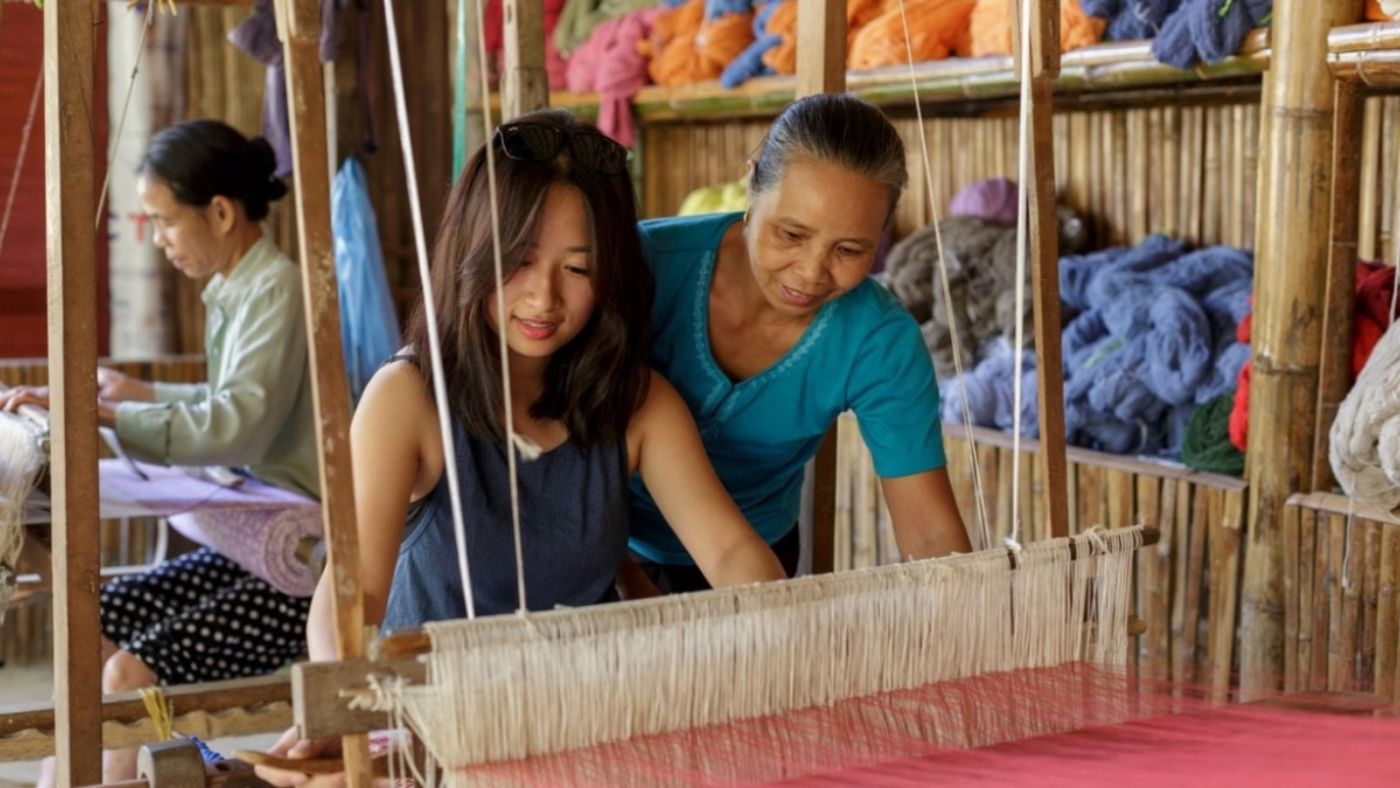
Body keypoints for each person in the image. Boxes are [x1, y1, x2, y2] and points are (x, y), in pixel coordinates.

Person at [257, 111, 786, 784]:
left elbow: (731, 550)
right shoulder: (410, 399)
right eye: (519, 260)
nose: (544, 296)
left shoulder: (636, 403)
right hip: (430, 742)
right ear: (475, 249)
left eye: (578, 268)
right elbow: (352, 592)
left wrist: (780, 641)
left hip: (585, 733)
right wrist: (343, 711)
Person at [2, 119, 319, 785]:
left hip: (294, 573)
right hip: (250, 548)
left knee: (124, 672)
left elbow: (240, 427)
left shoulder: (276, 289)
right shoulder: (238, 288)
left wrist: (108, 411)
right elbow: (233, 396)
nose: (161, 240)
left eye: (165, 221)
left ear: (222, 213)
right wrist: (138, 392)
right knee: (91, 621)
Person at [629, 94, 971, 592]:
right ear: (751, 182)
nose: (811, 273)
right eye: (791, 234)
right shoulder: (644, 268)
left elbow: (930, 531)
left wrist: (972, 634)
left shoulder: (878, 341)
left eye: (850, 249)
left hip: (757, 564)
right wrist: (616, 574)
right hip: (607, 548)